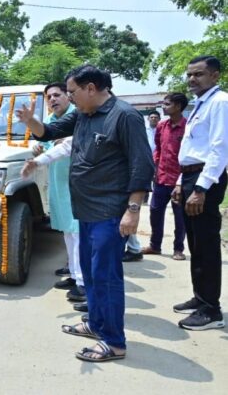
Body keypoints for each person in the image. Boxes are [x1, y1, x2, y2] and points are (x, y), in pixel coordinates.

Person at [16, 64, 154, 363]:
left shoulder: (125, 116)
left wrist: (133, 210)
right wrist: (31, 121)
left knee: (106, 276)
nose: (70, 97)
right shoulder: (83, 114)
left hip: (110, 211)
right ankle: (96, 323)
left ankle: (114, 342)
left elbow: (141, 166)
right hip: (86, 209)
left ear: (91, 88)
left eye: (73, 92)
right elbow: (49, 132)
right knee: (90, 273)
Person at [171, 55, 228, 331]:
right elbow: (191, 149)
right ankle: (200, 297)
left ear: (215, 75)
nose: (192, 79)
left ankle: (211, 310)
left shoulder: (220, 103)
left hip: (207, 178)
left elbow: (219, 149)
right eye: (190, 74)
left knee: (206, 243)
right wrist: (183, 182)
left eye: (200, 74)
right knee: (194, 242)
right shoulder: (200, 104)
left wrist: (202, 188)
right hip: (192, 176)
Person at [28, 82, 84, 303]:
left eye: (57, 95)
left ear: (68, 97)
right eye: (49, 97)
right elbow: (51, 146)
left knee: (78, 232)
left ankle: (83, 282)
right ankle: (73, 272)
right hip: (58, 181)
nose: (52, 99)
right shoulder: (51, 121)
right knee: (67, 232)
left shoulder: (77, 117)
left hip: (76, 182)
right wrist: (40, 149)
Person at [142, 92, 188, 260]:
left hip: (179, 181)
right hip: (161, 178)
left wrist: (181, 181)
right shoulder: (162, 126)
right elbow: (158, 150)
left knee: (180, 216)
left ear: (177, 106)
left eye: (167, 104)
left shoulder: (188, 127)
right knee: (155, 212)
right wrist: (155, 168)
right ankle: (155, 245)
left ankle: (178, 249)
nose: (163, 106)